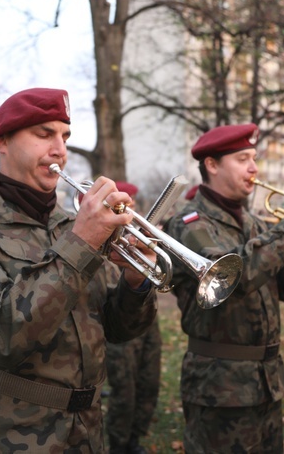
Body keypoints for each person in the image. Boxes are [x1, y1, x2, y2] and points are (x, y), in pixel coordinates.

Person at [0, 87, 157, 452]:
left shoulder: (70, 225)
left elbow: (118, 329)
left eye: (64, 136)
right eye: (43, 134)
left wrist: (135, 279)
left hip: (87, 431)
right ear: (2, 142)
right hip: (6, 434)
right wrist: (80, 245)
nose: (59, 149)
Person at [163, 123, 284, 453]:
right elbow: (236, 278)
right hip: (219, 386)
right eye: (242, 159)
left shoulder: (254, 224)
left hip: (267, 381)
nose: (254, 168)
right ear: (212, 165)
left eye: (254, 158)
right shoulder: (189, 223)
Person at [105, 181, 162, 454]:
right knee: (124, 391)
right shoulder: (101, 235)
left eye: (132, 204)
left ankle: (135, 439)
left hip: (145, 316)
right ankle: (118, 443)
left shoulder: (138, 234)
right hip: (117, 322)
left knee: (149, 383)